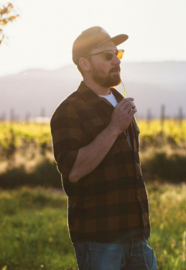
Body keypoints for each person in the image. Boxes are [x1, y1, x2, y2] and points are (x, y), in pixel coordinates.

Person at [50, 26, 157, 270]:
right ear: (85, 64)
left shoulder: (121, 102)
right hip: (98, 240)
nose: (116, 61)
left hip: (137, 236)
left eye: (117, 54)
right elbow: (74, 170)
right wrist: (113, 128)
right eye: (107, 55)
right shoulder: (69, 111)